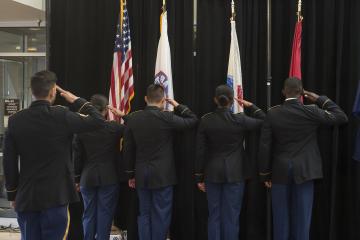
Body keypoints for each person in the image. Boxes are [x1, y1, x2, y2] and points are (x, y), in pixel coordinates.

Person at [3, 70, 105, 240]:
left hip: (27, 197)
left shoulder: (16, 120)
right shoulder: (61, 115)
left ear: (32, 91)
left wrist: (13, 194)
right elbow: (98, 121)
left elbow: (9, 162)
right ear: (52, 92)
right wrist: (76, 100)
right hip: (56, 197)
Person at [258, 77, 348, 240]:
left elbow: (265, 146)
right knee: (302, 220)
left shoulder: (273, 113)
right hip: (306, 171)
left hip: (279, 172)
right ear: (301, 93)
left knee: (280, 220)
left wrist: (265, 174)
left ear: (283, 92)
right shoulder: (311, 110)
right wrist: (321, 99)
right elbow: (341, 116)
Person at [123, 84, 198, 240]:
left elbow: (128, 149)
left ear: (145, 99)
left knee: (144, 213)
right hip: (163, 175)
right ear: (164, 100)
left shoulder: (133, 118)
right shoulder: (167, 117)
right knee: (161, 214)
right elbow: (192, 120)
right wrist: (177, 105)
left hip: (141, 174)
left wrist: (130, 174)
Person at [194, 85, 265, 240]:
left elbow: (200, 151)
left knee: (214, 215)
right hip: (235, 173)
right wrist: (251, 106)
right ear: (233, 101)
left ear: (215, 100)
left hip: (212, 173)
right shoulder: (239, 119)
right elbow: (264, 120)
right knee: (231, 216)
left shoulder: (206, 120)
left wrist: (199, 177)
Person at [73, 94, 126, 240]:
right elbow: (133, 127)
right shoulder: (114, 127)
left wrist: (76, 178)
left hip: (87, 178)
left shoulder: (81, 130)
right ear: (105, 110)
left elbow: (77, 157)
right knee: (105, 215)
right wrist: (123, 115)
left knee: (88, 214)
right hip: (109, 178)